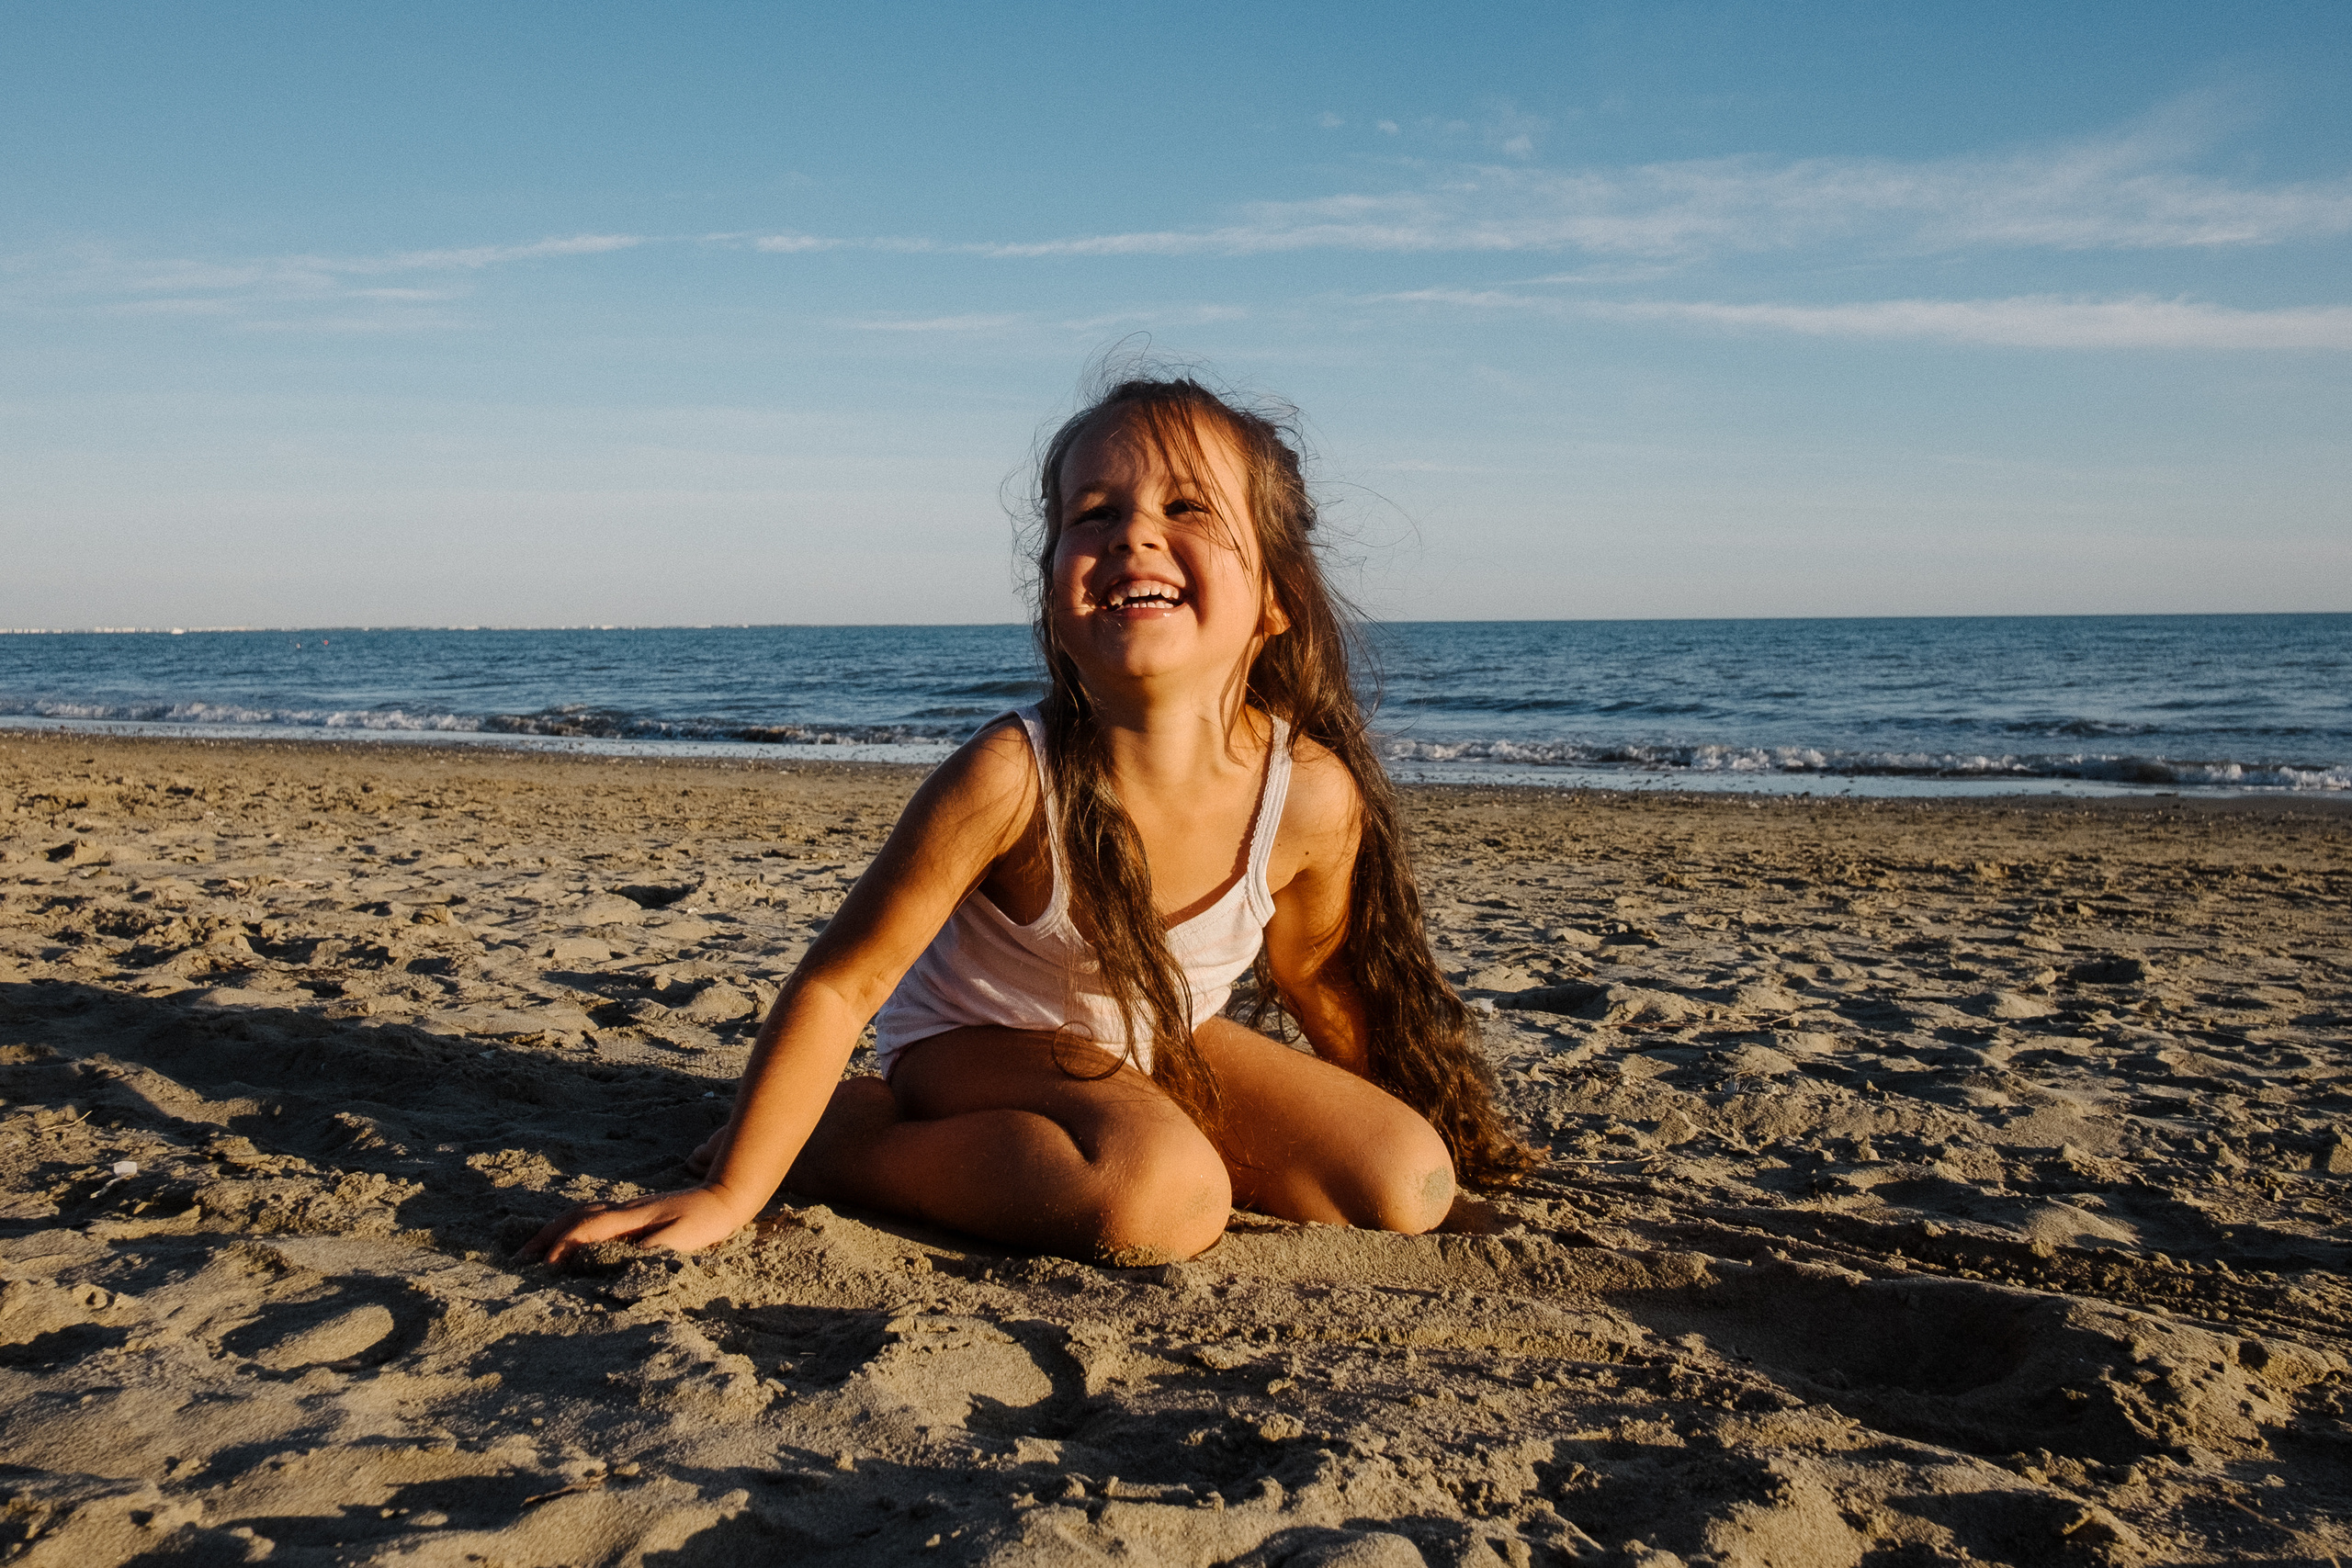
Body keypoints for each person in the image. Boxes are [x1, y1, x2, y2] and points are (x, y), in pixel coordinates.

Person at [526, 372, 1538, 1269]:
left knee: (1403, 1184)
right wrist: (732, 1195)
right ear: (1055, 592)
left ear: (1277, 596)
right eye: (1092, 513)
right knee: (1159, 1200)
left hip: (1158, 1041)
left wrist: (1393, 1117)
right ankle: (849, 1141)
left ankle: (1149, 1133)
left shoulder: (1308, 793)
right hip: (976, 1042)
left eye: (1186, 506)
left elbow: (1319, 979)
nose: (1132, 532)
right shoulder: (1015, 774)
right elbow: (843, 986)